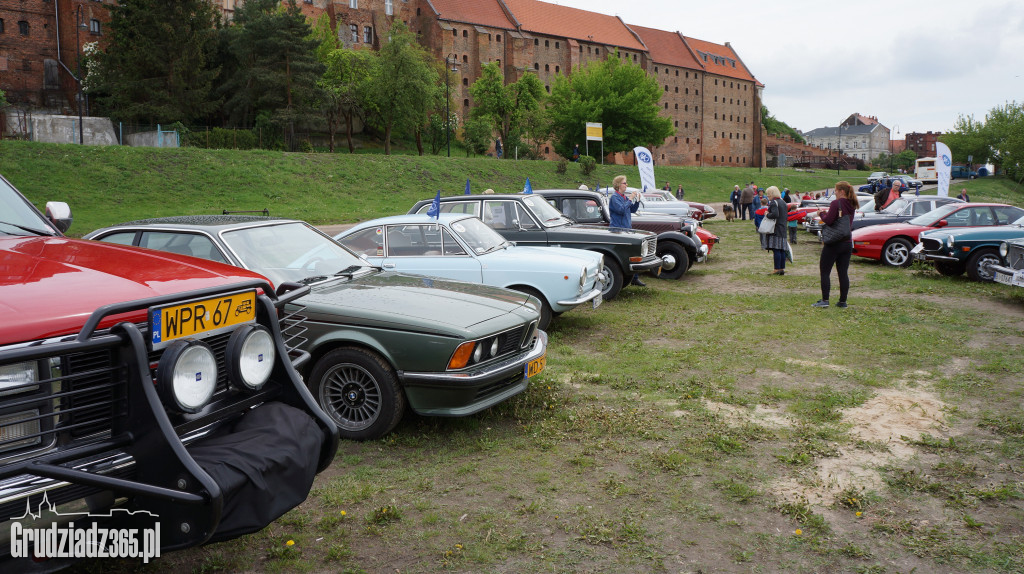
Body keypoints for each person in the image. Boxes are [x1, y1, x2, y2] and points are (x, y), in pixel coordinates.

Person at [814, 181, 859, 308]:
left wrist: (821, 214)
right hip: (847, 242)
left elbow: (828, 220)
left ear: (842, 191)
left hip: (834, 243)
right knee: (843, 273)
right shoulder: (852, 204)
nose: (835, 193)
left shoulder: (836, 203)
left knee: (825, 271)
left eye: (836, 190)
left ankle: (825, 300)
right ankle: (842, 301)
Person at [609, 175, 645, 287]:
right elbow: (620, 210)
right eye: (625, 183)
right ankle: (625, 277)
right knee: (622, 254)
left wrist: (637, 201)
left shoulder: (623, 197)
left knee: (632, 253)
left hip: (626, 229)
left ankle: (635, 278)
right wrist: (630, 199)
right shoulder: (615, 198)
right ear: (619, 185)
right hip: (618, 230)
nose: (626, 185)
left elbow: (631, 210)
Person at [763, 186, 790, 275]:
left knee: (776, 249)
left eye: (769, 194)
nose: (768, 196)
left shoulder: (774, 202)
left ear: (773, 194)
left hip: (775, 229)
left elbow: (775, 214)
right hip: (783, 228)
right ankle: (782, 268)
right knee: (782, 249)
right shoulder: (783, 202)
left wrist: (767, 214)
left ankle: (776, 269)